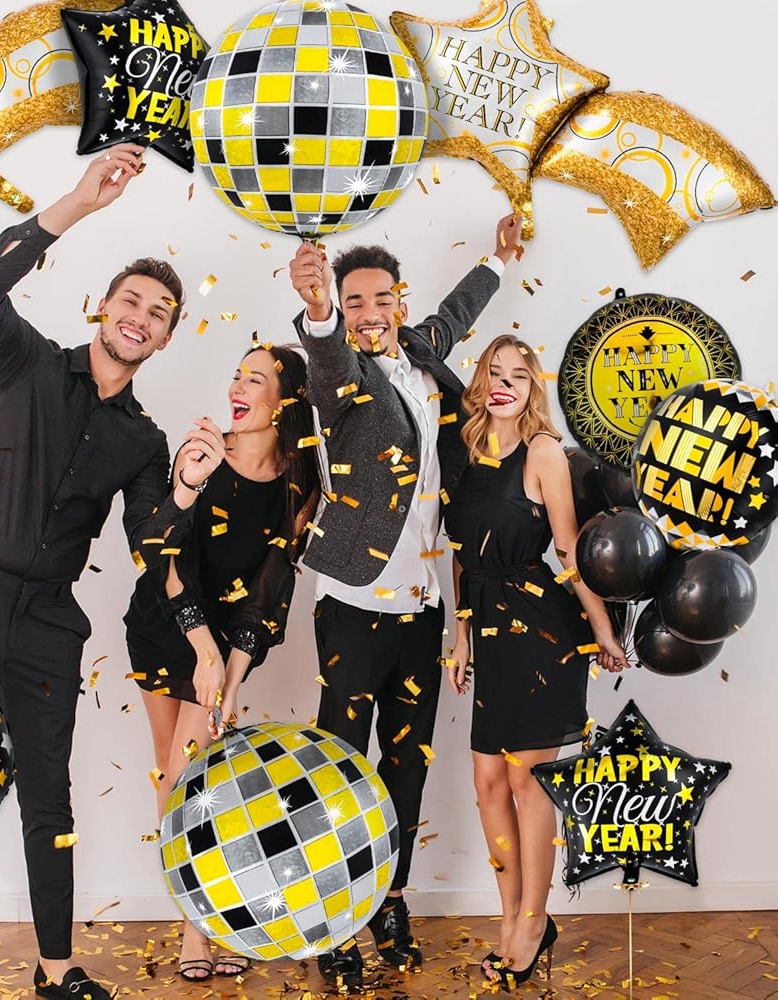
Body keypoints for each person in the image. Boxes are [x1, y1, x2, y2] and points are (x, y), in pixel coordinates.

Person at [0, 147, 227, 1000]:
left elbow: (152, 543)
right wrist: (78, 203)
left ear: (166, 337)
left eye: (159, 313)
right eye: (131, 301)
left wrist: (187, 486)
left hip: (47, 619)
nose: (141, 318)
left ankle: (54, 966)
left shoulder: (144, 440)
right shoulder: (28, 361)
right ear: (102, 308)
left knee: (50, 798)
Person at [287, 216, 522, 988]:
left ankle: (389, 903)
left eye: (380, 299)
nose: (369, 313)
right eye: (354, 301)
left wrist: (497, 259)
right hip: (354, 599)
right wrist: (318, 309)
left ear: (398, 302)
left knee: (405, 765)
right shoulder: (341, 376)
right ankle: (333, 923)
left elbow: (456, 312)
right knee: (341, 769)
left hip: (422, 604)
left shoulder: (421, 350)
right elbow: (326, 354)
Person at [124, 342, 320, 982]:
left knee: (189, 778)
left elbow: (269, 591)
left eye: (254, 380)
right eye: (236, 375)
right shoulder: (202, 456)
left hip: (226, 642)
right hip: (164, 626)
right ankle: (202, 919)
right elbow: (169, 561)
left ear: (285, 402)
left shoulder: (299, 487)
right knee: (174, 775)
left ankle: (200, 925)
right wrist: (204, 652)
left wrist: (231, 676)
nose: (237, 387)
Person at [444, 334, 629, 991]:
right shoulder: (463, 452)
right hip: (489, 629)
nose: (503, 384)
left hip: (541, 629)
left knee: (528, 784)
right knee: (488, 784)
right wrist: (461, 637)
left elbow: (569, 549)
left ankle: (531, 922)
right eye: (494, 372)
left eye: (517, 376)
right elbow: (462, 557)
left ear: (532, 389)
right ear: (480, 382)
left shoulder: (544, 451)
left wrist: (602, 629)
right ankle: (512, 918)